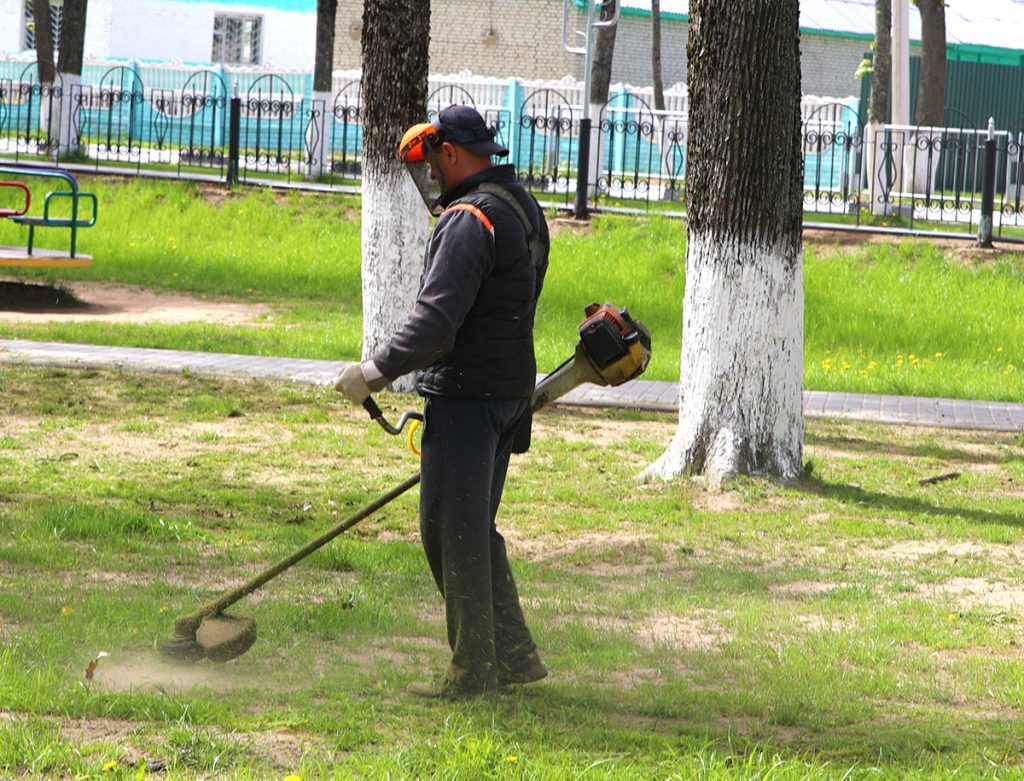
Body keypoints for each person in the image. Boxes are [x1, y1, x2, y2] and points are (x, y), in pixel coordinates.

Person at [335, 105, 550, 700]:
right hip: (508, 395)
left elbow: (435, 324)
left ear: (450, 153)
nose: (429, 180)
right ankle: (513, 655)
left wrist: (373, 372)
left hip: (466, 399)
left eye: (430, 167)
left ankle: (473, 671)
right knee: (471, 528)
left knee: (449, 533)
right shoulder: (520, 207)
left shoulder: (467, 218)